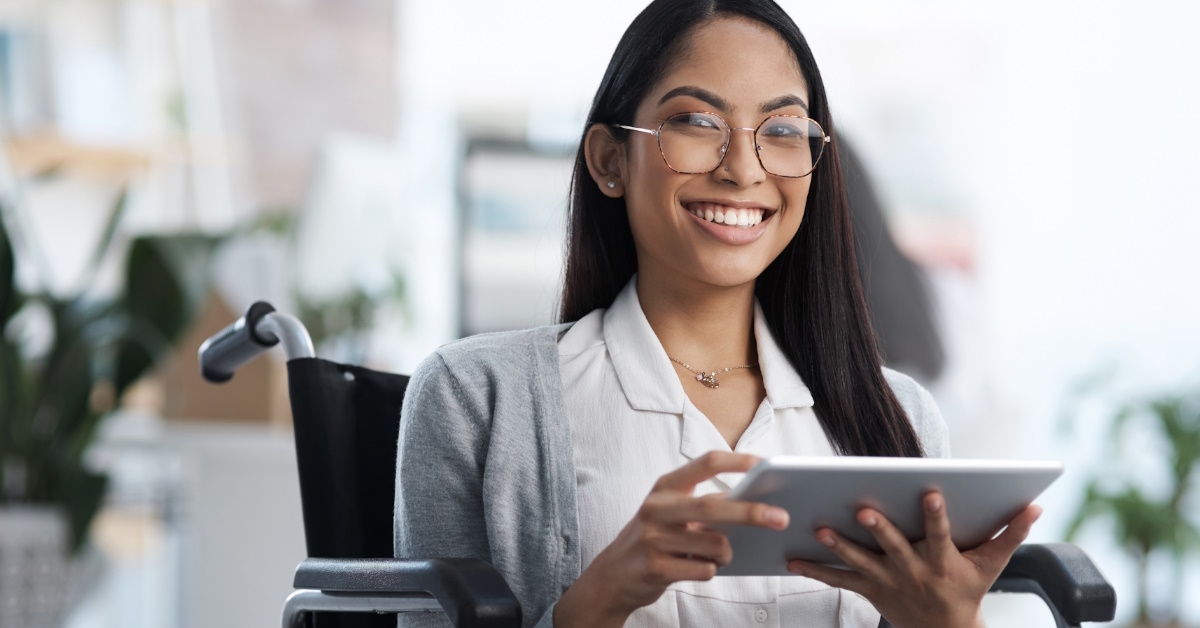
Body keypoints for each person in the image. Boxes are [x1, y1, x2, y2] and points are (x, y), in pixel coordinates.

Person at [394, 1, 1041, 626]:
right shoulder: (474, 396)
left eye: (783, 130)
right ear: (609, 159)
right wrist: (600, 597)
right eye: (698, 123)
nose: (742, 169)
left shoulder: (899, 416)